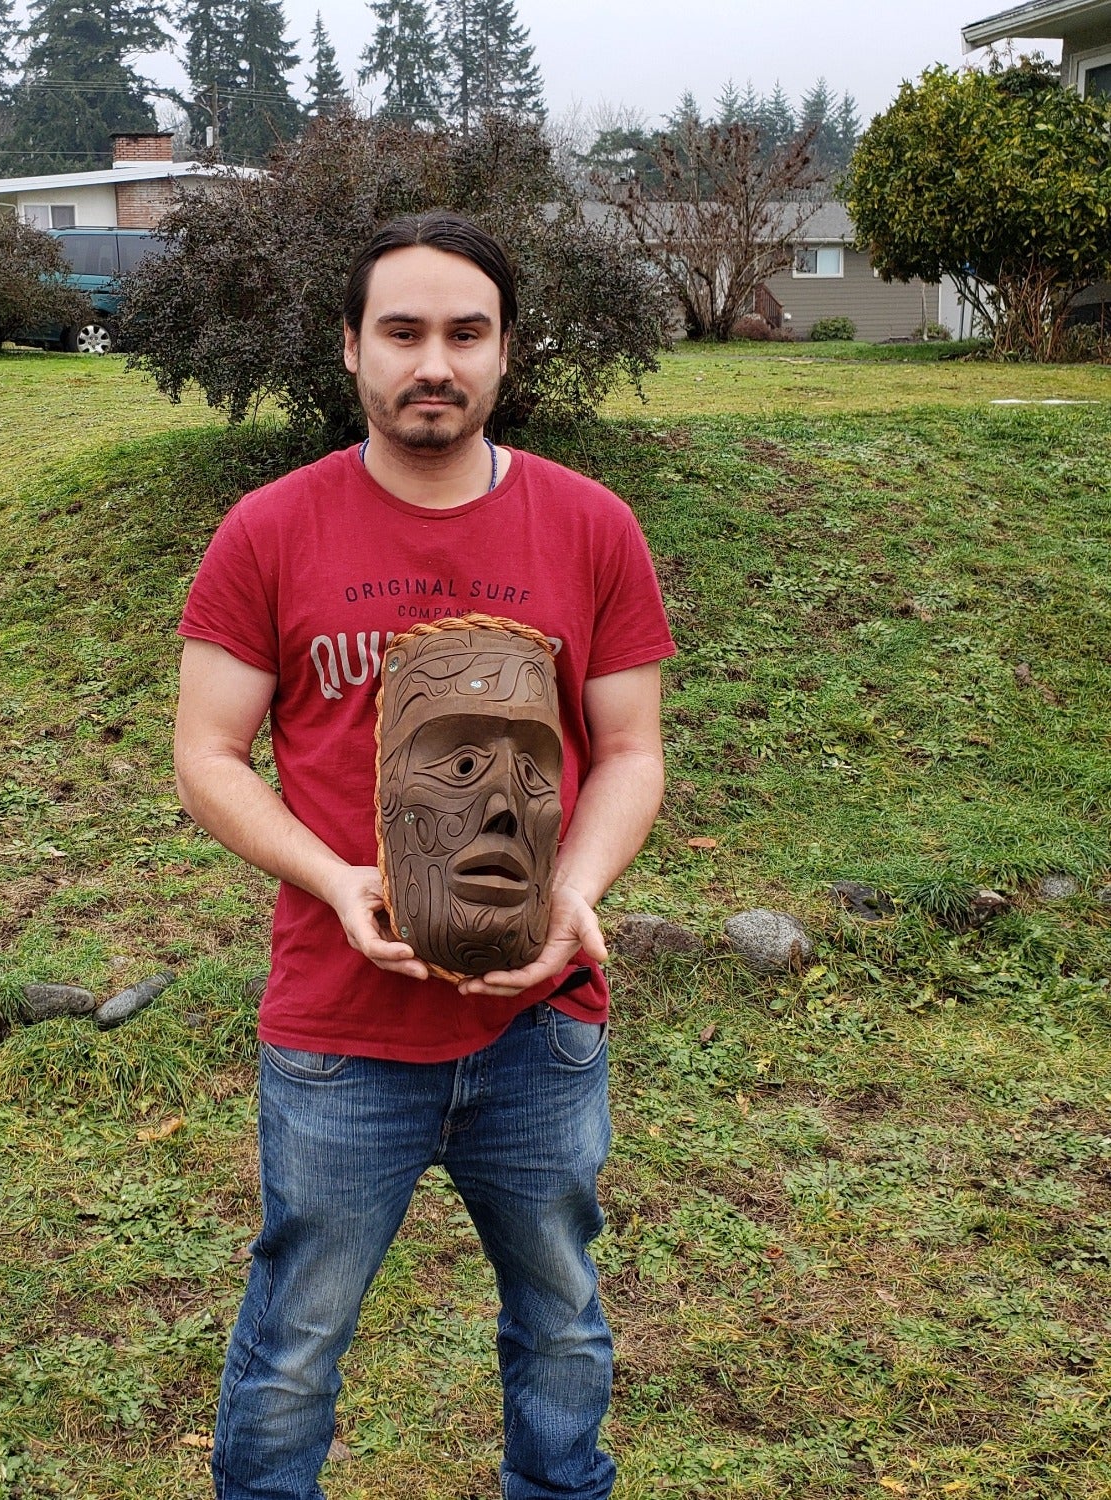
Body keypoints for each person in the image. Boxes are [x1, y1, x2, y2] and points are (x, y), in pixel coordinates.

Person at [174, 210, 675, 1500]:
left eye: (466, 333)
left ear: (507, 355)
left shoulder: (590, 527)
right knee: (296, 1337)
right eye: (403, 332)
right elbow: (208, 757)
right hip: (341, 1030)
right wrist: (336, 882)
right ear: (352, 349)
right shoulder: (270, 532)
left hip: (540, 1024)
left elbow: (628, 751)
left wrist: (572, 899)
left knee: (561, 1316)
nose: (433, 362)